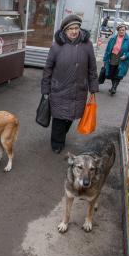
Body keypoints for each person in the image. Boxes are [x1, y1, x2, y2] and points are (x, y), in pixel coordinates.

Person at [41, 15, 99, 154]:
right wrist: (46, 88)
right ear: (64, 31)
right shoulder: (56, 46)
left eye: (76, 28)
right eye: (70, 29)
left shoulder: (87, 45)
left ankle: (61, 136)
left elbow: (92, 67)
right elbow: (48, 68)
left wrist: (93, 87)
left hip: (78, 90)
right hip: (59, 89)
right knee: (59, 119)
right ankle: (57, 143)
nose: (74, 31)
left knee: (71, 117)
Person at [102, 23, 129, 95]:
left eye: (123, 30)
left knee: (119, 73)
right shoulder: (113, 39)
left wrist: (126, 56)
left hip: (123, 59)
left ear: (125, 31)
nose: (122, 31)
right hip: (113, 57)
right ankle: (113, 87)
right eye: (120, 30)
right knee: (112, 72)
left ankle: (114, 88)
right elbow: (107, 50)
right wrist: (105, 59)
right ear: (118, 31)